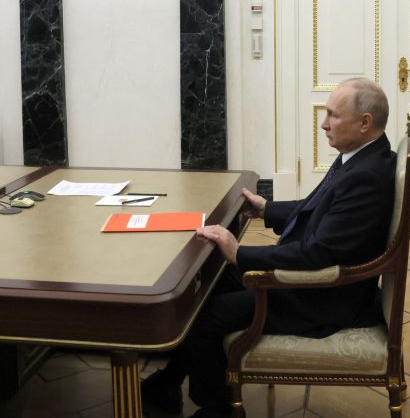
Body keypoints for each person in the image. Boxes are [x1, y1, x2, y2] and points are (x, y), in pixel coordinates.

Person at [142, 78, 397, 418]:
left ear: (365, 122)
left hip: (322, 296)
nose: (324, 124)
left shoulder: (365, 177)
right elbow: (319, 210)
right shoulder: (365, 158)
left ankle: (218, 410)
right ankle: (167, 383)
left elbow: (317, 254)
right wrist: (267, 209)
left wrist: (240, 253)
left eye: (333, 116)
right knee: (206, 288)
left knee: (206, 317)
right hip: (315, 281)